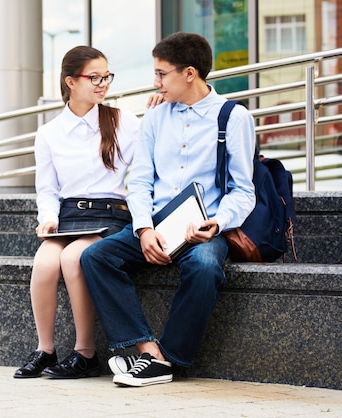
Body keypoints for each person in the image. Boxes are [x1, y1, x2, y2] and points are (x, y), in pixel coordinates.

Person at [79, 32, 256, 387]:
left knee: (206, 266)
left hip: (204, 229)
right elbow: (140, 181)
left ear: (189, 73)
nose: (156, 81)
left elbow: (243, 190)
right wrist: (144, 229)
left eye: (162, 74)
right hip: (156, 224)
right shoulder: (156, 117)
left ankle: (171, 358)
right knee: (95, 257)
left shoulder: (233, 117)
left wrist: (216, 223)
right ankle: (146, 351)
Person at [14, 46, 162, 379]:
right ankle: (46, 350)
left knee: (73, 259)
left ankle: (85, 352)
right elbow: (48, 189)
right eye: (94, 77)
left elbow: (146, 165)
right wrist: (48, 218)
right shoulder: (49, 133)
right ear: (70, 81)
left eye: (106, 76)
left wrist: (158, 111)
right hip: (67, 216)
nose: (103, 83)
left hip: (109, 214)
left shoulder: (121, 119)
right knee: (45, 262)